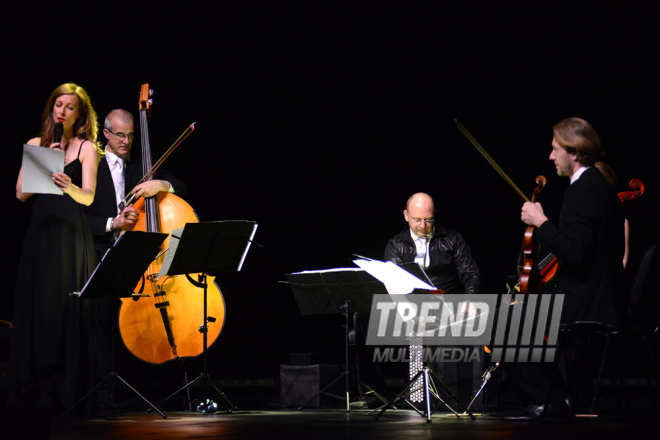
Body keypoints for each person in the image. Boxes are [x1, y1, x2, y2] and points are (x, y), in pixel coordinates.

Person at [502, 118, 626, 422]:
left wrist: (540, 222)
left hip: (588, 301)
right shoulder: (597, 185)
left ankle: (555, 400)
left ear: (573, 151)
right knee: (520, 317)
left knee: (503, 323)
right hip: (598, 294)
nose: (551, 156)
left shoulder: (583, 189)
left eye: (555, 149)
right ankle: (556, 397)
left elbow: (575, 253)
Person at [10, 83, 102, 413]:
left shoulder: (86, 148)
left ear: (80, 114)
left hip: (70, 238)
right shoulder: (37, 144)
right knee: (40, 307)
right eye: (58, 105)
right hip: (41, 235)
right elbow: (21, 194)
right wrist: (43, 165)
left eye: (70, 107)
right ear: (52, 108)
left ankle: (68, 391)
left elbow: (88, 197)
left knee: (65, 310)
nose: (62, 111)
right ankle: (37, 390)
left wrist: (69, 185)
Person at [84, 109, 188, 256]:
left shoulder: (145, 163)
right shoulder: (89, 164)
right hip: (98, 252)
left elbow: (181, 188)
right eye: (120, 135)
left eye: (130, 135)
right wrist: (113, 223)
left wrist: (161, 185)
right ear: (106, 133)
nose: (126, 141)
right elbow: (78, 216)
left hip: (137, 251)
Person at [384, 192, 481, 294]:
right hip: (413, 305)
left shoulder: (452, 239)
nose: (423, 225)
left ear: (434, 214)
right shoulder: (396, 245)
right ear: (406, 215)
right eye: (417, 219)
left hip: (448, 303)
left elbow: (470, 273)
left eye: (428, 220)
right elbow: (393, 282)